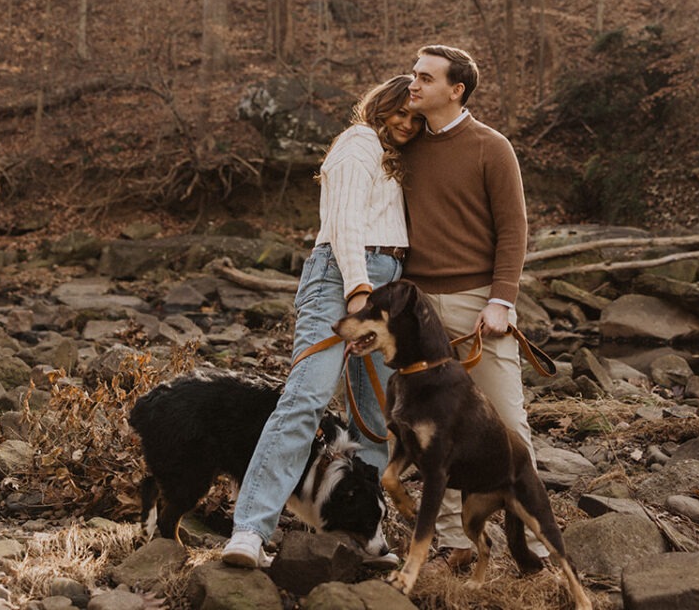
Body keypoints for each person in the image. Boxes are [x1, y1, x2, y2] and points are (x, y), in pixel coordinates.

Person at [222, 75, 421, 568]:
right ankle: (249, 530)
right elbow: (345, 222)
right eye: (399, 109)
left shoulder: (392, 158)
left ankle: (364, 536)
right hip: (344, 275)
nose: (406, 121)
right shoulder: (357, 142)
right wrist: (358, 290)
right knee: (305, 399)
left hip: (386, 278)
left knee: (375, 417)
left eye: (416, 117)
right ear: (379, 104)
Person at [399, 43, 547, 568]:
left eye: (424, 77)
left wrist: (502, 300)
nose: (411, 83)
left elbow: (514, 228)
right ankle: (456, 544)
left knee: (508, 423)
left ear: (455, 89)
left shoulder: (492, 147)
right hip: (415, 310)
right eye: (412, 74)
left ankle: (525, 539)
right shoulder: (403, 144)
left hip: (477, 306)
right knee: (434, 430)